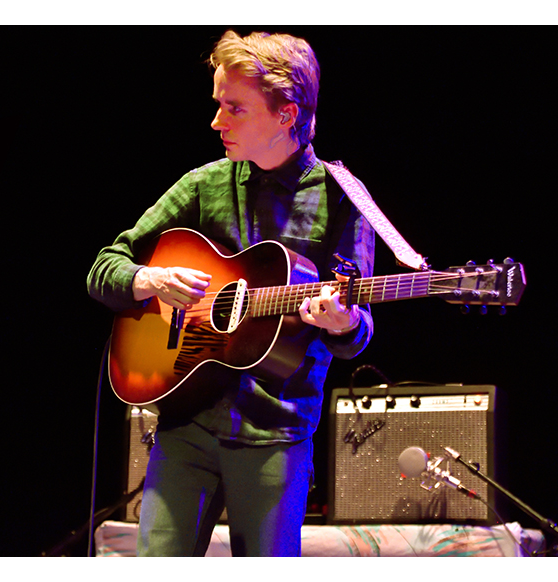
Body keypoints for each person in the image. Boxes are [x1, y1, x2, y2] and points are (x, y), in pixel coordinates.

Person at [87, 30, 375, 557]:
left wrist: (343, 322)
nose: (216, 122)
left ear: (287, 114)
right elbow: (104, 267)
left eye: (234, 109)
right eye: (218, 105)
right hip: (186, 424)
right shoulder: (203, 183)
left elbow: (356, 330)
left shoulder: (342, 198)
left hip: (276, 437)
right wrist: (148, 280)